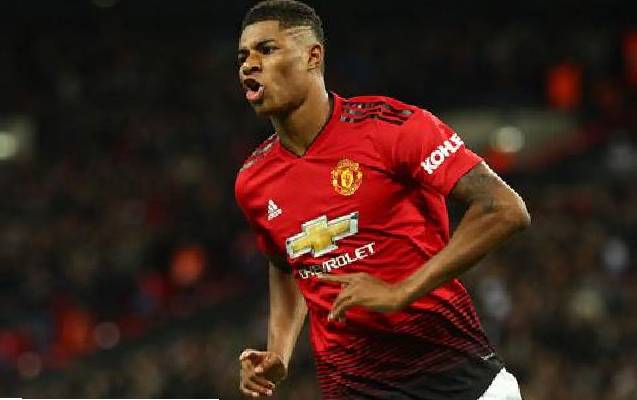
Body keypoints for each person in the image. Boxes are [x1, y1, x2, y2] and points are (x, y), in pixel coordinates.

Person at [234, 1, 530, 399]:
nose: (249, 65)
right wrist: (279, 351)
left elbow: (504, 208)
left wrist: (400, 291)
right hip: (352, 388)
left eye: (266, 49)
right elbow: (286, 264)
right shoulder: (254, 181)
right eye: (243, 57)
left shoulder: (391, 128)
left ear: (312, 56)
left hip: (457, 382)